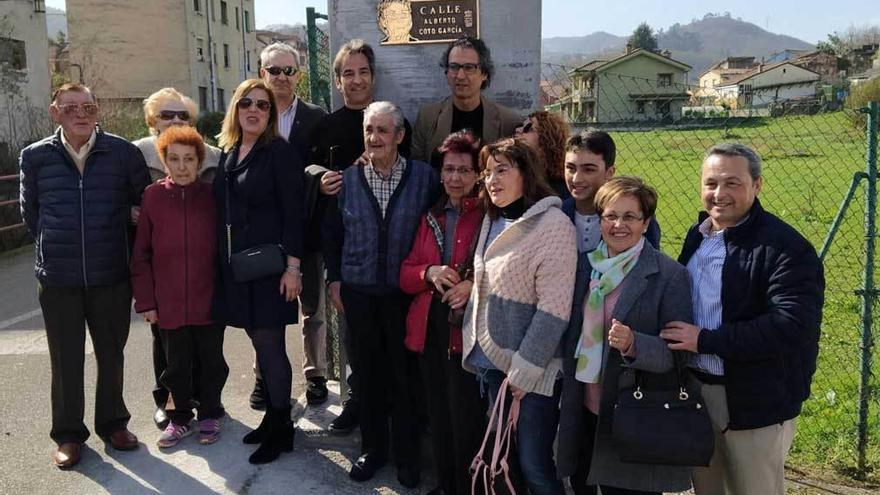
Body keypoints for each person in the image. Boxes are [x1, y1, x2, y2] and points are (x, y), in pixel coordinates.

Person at [660, 143, 824, 495]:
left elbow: (792, 326)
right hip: (696, 391)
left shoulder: (786, 248)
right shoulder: (699, 235)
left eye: (732, 183)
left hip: (754, 400)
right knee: (707, 488)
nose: (719, 194)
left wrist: (705, 340)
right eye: (711, 183)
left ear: (757, 186)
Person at [19, 83, 150, 469]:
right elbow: (32, 214)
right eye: (71, 107)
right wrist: (53, 246)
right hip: (58, 278)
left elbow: (141, 207)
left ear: (97, 111)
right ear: (54, 112)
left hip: (111, 273)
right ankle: (69, 436)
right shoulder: (35, 156)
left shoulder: (123, 153)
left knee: (112, 355)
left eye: (88, 106)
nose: (81, 113)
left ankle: (113, 425)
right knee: (65, 359)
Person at [323, 101, 439, 487]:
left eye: (382, 131)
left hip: (405, 295)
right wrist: (335, 278)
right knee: (367, 376)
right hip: (359, 293)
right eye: (369, 130)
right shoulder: (348, 180)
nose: (374, 138)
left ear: (400, 136)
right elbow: (333, 233)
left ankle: (407, 457)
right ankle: (373, 450)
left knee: (405, 378)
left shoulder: (424, 179)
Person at [557, 176, 694, 495]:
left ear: (646, 223)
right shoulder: (586, 266)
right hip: (584, 406)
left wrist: (635, 344)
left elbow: (678, 356)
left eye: (630, 217)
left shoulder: (668, 275)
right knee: (581, 485)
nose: (619, 225)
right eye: (610, 216)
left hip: (633, 412)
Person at [307, 38, 413, 435]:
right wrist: (320, 180)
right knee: (354, 341)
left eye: (362, 72)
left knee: (393, 345)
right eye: (347, 73)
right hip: (349, 256)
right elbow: (305, 173)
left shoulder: (395, 123)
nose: (356, 80)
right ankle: (357, 401)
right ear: (337, 81)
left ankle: (394, 412)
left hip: (391, 258)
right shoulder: (324, 127)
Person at [462, 137, 576, 495]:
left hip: (533, 372)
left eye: (501, 170)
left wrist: (525, 371)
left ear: (526, 173)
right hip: (495, 363)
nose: (491, 180)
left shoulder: (553, 226)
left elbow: (554, 310)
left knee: (535, 464)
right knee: (506, 457)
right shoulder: (493, 219)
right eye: (487, 172)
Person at [212, 79, 305, 465]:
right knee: (258, 343)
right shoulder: (230, 152)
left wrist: (293, 268)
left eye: (263, 105)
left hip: (270, 268)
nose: (254, 110)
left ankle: (282, 429)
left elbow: (295, 214)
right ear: (235, 108)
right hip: (239, 267)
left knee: (270, 345)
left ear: (270, 114)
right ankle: (272, 418)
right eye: (246, 102)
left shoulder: (278, 152)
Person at [399, 131, 485, 495]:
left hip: (469, 329)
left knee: (467, 416)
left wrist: (472, 286)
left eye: (464, 170)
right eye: (449, 169)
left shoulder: (488, 215)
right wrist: (428, 273)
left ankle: (469, 486)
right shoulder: (429, 216)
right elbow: (405, 275)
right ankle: (446, 484)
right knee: (438, 412)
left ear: (478, 175)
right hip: (431, 327)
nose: (455, 178)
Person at [130, 126, 228, 448]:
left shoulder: (212, 197)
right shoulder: (153, 196)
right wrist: (146, 301)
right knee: (176, 366)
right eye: (174, 159)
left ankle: (211, 412)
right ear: (164, 161)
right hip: (168, 302)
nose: (182, 166)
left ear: (200, 162)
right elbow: (141, 253)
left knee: (212, 361)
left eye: (189, 159)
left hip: (209, 298)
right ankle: (180, 418)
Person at [249, 41, 330, 410]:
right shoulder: (250, 114)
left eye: (288, 70)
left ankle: (315, 375)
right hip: (265, 232)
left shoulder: (317, 118)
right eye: (273, 70)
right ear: (262, 73)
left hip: (308, 228)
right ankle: (263, 376)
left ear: (298, 75)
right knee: (265, 309)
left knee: (313, 308)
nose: (281, 77)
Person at [411, 36, 521, 164]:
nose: (460, 76)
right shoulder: (427, 118)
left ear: (484, 74)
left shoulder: (507, 122)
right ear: (446, 72)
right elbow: (420, 172)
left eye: (469, 67)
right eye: (454, 67)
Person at [559, 130, 660, 254]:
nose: (576, 179)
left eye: (588, 170)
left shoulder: (634, 219)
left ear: (609, 172)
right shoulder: (557, 214)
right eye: (571, 168)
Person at [133, 87, 221, 183]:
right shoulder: (136, 151)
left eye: (183, 116)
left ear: (190, 122)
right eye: (167, 115)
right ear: (154, 121)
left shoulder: (214, 156)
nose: (176, 120)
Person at [516, 110, 570, 198]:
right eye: (520, 126)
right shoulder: (517, 177)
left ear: (545, 140)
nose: (518, 130)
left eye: (529, 128)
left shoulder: (561, 188)